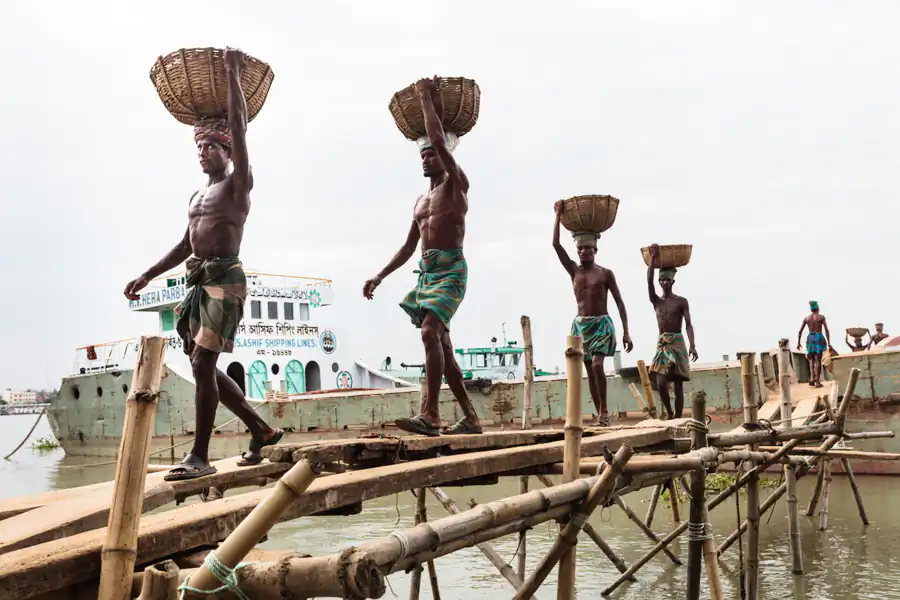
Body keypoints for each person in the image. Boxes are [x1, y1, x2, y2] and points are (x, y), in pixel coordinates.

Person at [123, 48, 283, 480]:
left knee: (200, 364)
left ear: (228, 151)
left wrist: (231, 73)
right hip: (198, 282)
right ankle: (261, 428)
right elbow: (185, 243)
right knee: (201, 363)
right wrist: (148, 274)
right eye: (199, 146)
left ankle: (199, 455)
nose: (203, 152)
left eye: (211, 146)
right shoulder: (197, 197)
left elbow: (241, 129)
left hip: (225, 280)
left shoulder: (238, 185)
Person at [363, 76, 481, 437]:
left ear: (445, 154)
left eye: (433, 152)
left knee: (430, 332)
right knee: (442, 346)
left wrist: (426, 97)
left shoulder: (456, 185)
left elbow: (438, 139)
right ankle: (471, 418)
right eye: (424, 154)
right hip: (427, 274)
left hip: (451, 271)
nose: (427, 159)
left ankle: (430, 415)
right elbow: (408, 247)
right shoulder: (420, 201)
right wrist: (379, 276)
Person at [552, 204, 633, 426]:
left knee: (598, 365)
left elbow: (619, 302)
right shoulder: (574, 271)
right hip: (581, 326)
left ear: (595, 250)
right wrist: (558, 216)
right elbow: (555, 244)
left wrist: (626, 332)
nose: (582, 252)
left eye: (587, 249)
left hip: (601, 325)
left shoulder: (605, 274)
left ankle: (605, 412)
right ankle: (600, 415)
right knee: (589, 370)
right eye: (580, 249)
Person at [646, 245, 698, 419]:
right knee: (661, 381)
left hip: (677, 341)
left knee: (678, 381)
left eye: (667, 280)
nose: (664, 283)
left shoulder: (681, 301)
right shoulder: (656, 301)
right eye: (662, 280)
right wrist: (653, 258)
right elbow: (648, 281)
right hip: (663, 343)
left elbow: (688, 324)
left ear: (673, 282)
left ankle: (678, 416)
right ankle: (669, 413)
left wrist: (692, 345)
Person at [796, 300, 834, 388]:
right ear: (818, 308)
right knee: (818, 360)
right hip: (819, 338)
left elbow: (800, 331)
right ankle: (817, 381)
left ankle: (812, 378)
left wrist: (798, 343)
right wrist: (829, 343)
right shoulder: (821, 317)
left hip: (810, 338)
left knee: (811, 359)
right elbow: (826, 330)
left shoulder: (807, 318)